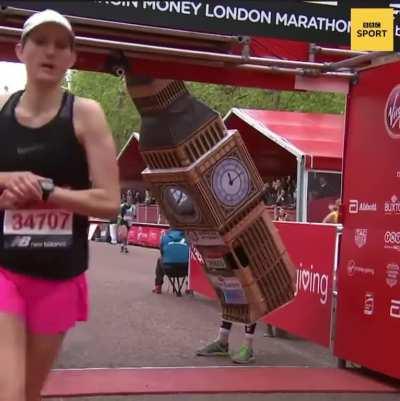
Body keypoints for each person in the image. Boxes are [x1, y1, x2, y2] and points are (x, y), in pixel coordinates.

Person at [0, 9, 120, 401]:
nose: (49, 52)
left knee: (28, 393)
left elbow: (109, 203)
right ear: (20, 50)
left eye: (60, 45)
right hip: (5, 268)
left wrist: (47, 192)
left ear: (72, 58)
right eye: (40, 42)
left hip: (57, 276)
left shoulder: (86, 114)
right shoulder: (0, 112)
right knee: (9, 391)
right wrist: (6, 180)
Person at [152, 228, 189, 294]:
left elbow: (162, 253)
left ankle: (158, 286)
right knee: (193, 262)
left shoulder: (165, 237)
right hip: (185, 270)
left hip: (168, 269)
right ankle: (189, 287)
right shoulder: (189, 238)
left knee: (159, 259)